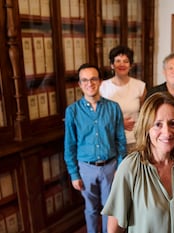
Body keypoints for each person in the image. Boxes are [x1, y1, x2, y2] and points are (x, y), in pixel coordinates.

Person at [101, 92, 174, 233]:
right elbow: (114, 229)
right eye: (157, 124)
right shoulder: (129, 168)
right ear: (146, 128)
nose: (167, 132)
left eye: (173, 123)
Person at [64, 64, 127, 233]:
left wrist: (119, 167)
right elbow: (69, 145)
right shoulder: (72, 111)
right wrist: (74, 174)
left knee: (110, 208)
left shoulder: (113, 108)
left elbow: (121, 140)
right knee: (91, 209)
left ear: (99, 81)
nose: (89, 83)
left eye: (93, 79)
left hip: (110, 167)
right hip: (86, 168)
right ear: (79, 84)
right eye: (84, 80)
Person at [100, 45, 147, 152]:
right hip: (111, 141)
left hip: (134, 141)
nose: (122, 64)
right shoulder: (102, 88)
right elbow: (99, 117)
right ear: (112, 65)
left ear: (130, 65)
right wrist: (119, 123)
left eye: (126, 61)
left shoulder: (140, 86)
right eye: (118, 61)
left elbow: (145, 114)